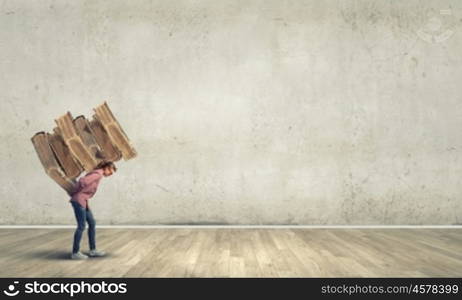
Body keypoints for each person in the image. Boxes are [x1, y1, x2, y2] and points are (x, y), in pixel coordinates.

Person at [69, 160, 117, 260]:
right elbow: (82, 181)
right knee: (81, 226)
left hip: (83, 202)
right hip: (79, 201)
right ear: (107, 168)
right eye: (111, 172)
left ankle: (93, 250)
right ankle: (75, 252)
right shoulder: (98, 174)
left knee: (92, 223)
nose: (111, 174)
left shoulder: (98, 174)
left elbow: (86, 191)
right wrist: (75, 193)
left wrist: (86, 202)